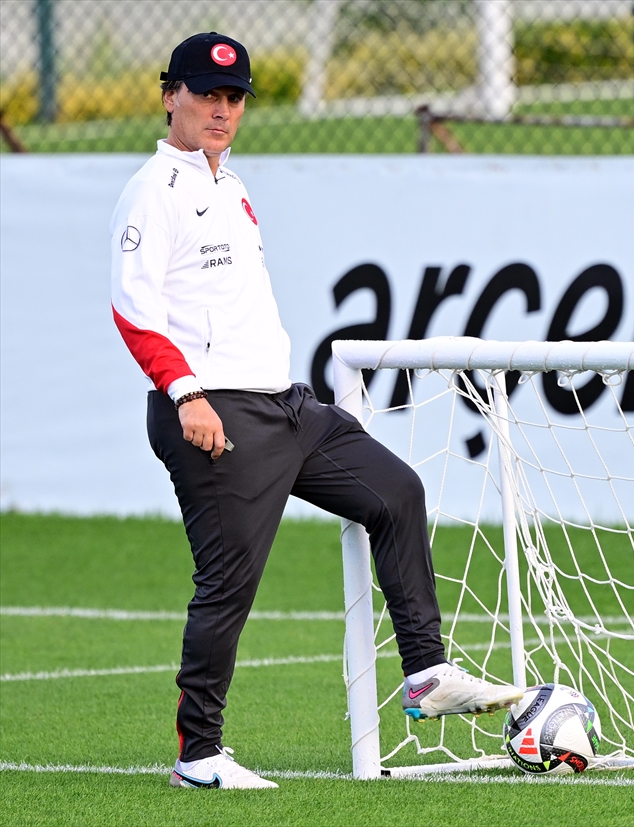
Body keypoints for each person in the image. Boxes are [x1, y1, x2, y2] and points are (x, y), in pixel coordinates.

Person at [110, 32, 522, 790]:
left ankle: (426, 670)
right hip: (215, 412)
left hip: (289, 406)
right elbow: (134, 311)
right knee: (229, 582)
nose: (221, 110)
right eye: (205, 94)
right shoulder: (153, 191)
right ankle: (198, 754)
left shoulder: (230, 185)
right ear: (170, 95)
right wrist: (187, 394)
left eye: (233, 98)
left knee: (396, 492)